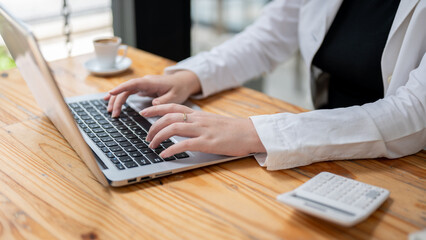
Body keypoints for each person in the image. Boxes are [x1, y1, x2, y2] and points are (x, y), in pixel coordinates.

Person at [105, 0, 426, 170]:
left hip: (408, 162)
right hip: (324, 145)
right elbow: (268, 37)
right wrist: (189, 77)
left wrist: (254, 133)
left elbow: (412, 114)